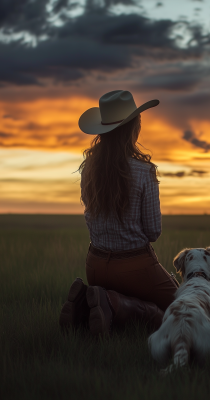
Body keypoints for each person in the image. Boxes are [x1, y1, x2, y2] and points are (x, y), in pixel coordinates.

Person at [59, 90, 179, 335]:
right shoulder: (144, 171)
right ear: (134, 127)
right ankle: (118, 304)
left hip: (95, 265)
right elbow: (154, 232)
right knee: (184, 309)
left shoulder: (88, 168)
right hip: (136, 266)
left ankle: (90, 304)